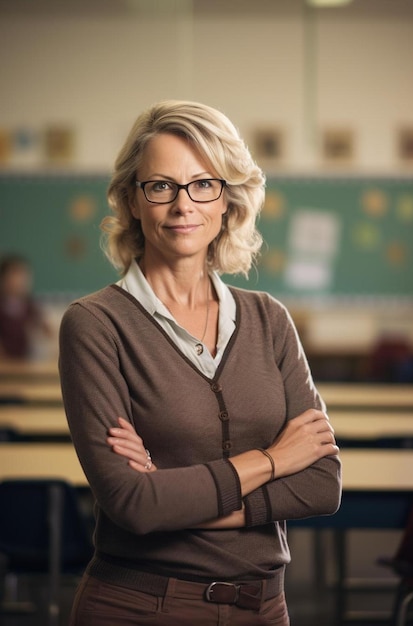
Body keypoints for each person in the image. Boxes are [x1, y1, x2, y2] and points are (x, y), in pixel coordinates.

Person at [59, 100, 341, 626]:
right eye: (161, 185)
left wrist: (174, 495)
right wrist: (275, 460)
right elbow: (134, 504)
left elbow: (323, 483)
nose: (183, 205)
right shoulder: (95, 324)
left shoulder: (270, 319)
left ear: (228, 200)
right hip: (139, 607)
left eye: (203, 184)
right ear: (132, 200)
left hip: (265, 608)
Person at [0, 254, 52, 359]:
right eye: (15, 275)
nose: (20, 281)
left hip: (24, 361)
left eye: (24, 276)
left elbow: (48, 331)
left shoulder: (30, 306)